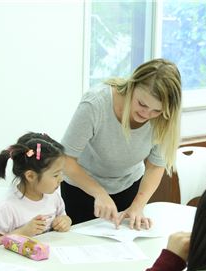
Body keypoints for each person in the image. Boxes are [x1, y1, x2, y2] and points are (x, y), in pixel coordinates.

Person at [61, 58, 182, 228]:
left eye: (156, 110)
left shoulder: (165, 119)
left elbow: (155, 166)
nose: (147, 114)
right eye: (142, 104)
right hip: (81, 188)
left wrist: (138, 206)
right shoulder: (96, 104)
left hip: (129, 188)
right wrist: (99, 193)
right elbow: (66, 159)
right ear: (132, 86)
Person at [0, 132, 71, 236]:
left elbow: (63, 216)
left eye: (61, 173)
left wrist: (65, 221)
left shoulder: (53, 197)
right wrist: (22, 232)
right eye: (55, 175)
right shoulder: (6, 208)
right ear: (30, 176)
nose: (61, 179)